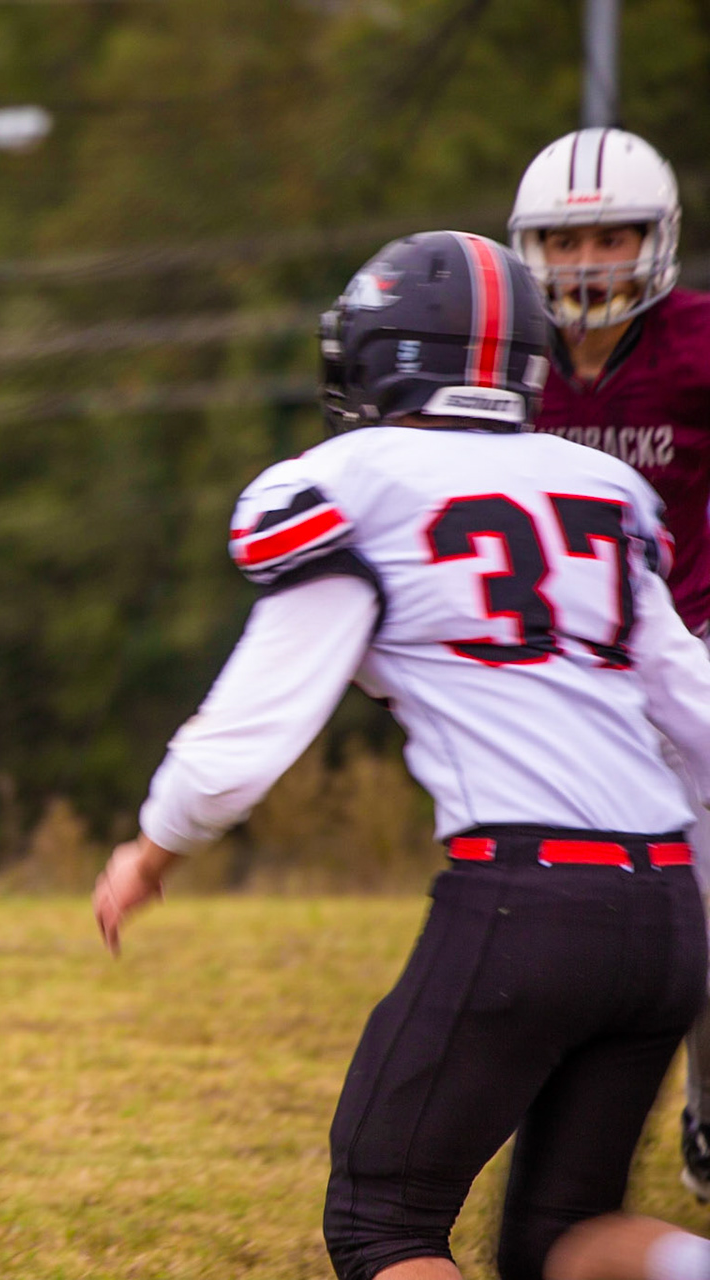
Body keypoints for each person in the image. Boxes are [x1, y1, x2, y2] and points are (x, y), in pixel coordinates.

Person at [92, 231, 710, 1280]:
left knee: (384, 1222)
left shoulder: (354, 482)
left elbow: (248, 736)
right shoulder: (600, 487)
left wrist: (155, 848)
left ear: (385, 353)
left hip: (527, 895)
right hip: (664, 911)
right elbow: (694, 710)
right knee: (566, 1238)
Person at [510, 126, 710, 1199]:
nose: (589, 261)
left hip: (690, 649)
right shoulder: (505, 354)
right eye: (567, 239)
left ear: (657, 238)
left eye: (614, 235)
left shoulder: (696, 345)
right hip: (560, 677)